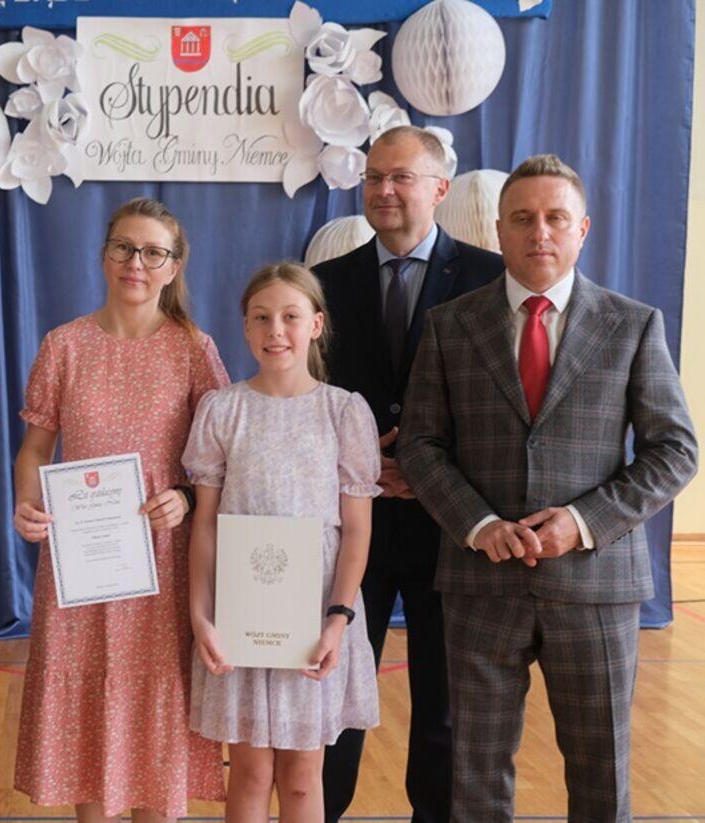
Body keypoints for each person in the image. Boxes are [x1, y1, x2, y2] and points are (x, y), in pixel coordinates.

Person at [397, 154, 698, 822]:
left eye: (556, 218)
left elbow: (676, 450)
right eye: (523, 218)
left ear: (582, 229)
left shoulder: (633, 325)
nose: (540, 232)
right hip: (480, 585)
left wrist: (584, 522)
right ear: (498, 231)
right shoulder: (450, 325)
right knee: (474, 779)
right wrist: (479, 524)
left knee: (601, 777)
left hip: (596, 586)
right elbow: (420, 445)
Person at [12, 197, 228, 821]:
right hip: (79, 563)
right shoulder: (64, 345)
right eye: (124, 248)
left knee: (155, 710)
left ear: (174, 266)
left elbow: (218, 464)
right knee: (85, 706)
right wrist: (28, 500)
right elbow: (35, 450)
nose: (136, 262)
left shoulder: (194, 349)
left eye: (153, 252)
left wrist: (184, 498)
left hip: (163, 564)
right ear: (104, 255)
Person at [314, 125, 504, 822]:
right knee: (332, 698)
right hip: (350, 526)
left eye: (400, 176)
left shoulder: (489, 278)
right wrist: (365, 467)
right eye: (373, 177)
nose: (384, 190)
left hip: (452, 525)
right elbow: (305, 399)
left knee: (444, 708)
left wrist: (423, 470)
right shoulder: (325, 284)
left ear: (440, 188)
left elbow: (503, 406)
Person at [185, 263, 381, 823]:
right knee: (249, 772)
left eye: (290, 317)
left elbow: (356, 530)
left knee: (301, 778)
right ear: (245, 328)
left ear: (315, 325)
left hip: (316, 617)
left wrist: (338, 619)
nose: (276, 331)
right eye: (261, 318)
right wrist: (201, 615)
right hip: (241, 615)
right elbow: (205, 525)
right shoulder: (223, 409)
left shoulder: (343, 411)